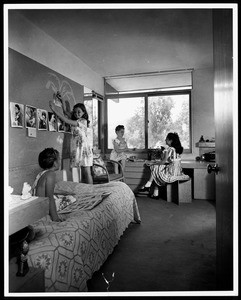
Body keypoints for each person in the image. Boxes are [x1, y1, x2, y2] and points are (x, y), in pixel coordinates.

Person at [49, 93, 93, 184]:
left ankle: (91, 191)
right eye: (75, 112)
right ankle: (84, 189)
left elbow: (66, 120)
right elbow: (65, 112)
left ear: (84, 113)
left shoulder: (83, 121)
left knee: (87, 172)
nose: (76, 114)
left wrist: (54, 110)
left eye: (79, 112)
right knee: (81, 171)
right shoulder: (76, 120)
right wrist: (62, 100)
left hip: (84, 149)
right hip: (77, 148)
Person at [138, 132, 189, 199]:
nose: (165, 140)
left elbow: (163, 161)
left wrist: (153, 163)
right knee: (156, 170)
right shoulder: (177, 149)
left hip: (171, 173)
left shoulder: (170, 149)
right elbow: (170, 161)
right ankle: (155, 193)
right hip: (177, 172)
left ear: (171, 141)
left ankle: (148, 184)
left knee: (155, 167)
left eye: (166, 139)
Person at [31, 147, 62, 222]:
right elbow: (49, 197)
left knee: (65, 195)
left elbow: (47, 190)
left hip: (37, 204)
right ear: (55, 163)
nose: (60, 161)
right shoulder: (51, 174)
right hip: (42, 208)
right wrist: (56, 219)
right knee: (70, 199)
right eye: (59, 159)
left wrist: (65, 192)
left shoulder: (42, 173)